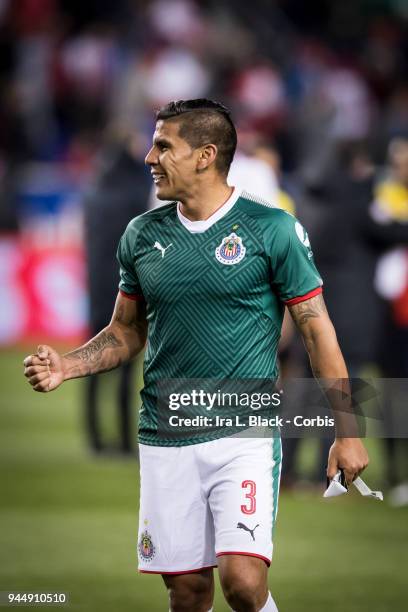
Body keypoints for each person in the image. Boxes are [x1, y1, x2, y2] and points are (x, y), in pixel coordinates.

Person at [23, 99, 369, 612]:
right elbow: (125, 330)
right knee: (187, 593)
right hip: (166, 434)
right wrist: (67, 366)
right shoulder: (142, 235)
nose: (149, 157)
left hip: (243, 435)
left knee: (244, 582)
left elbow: (319, 336)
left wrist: (348, 432)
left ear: (206, 155)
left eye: (164, 146)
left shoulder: (272, 229)